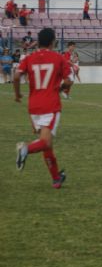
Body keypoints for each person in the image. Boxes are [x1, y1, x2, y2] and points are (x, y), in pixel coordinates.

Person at [14, 28, 72, 189]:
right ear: (53, 42)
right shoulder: (58, 58)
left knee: (47, 144)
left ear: (38, 41)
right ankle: (25, 149)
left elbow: (17, 76)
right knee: (45, 143)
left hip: (33, 106)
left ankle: (56, 179)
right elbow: (68, 81)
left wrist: (18, 94)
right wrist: (59, 90)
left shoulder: (29, 58)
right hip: (50, 104)